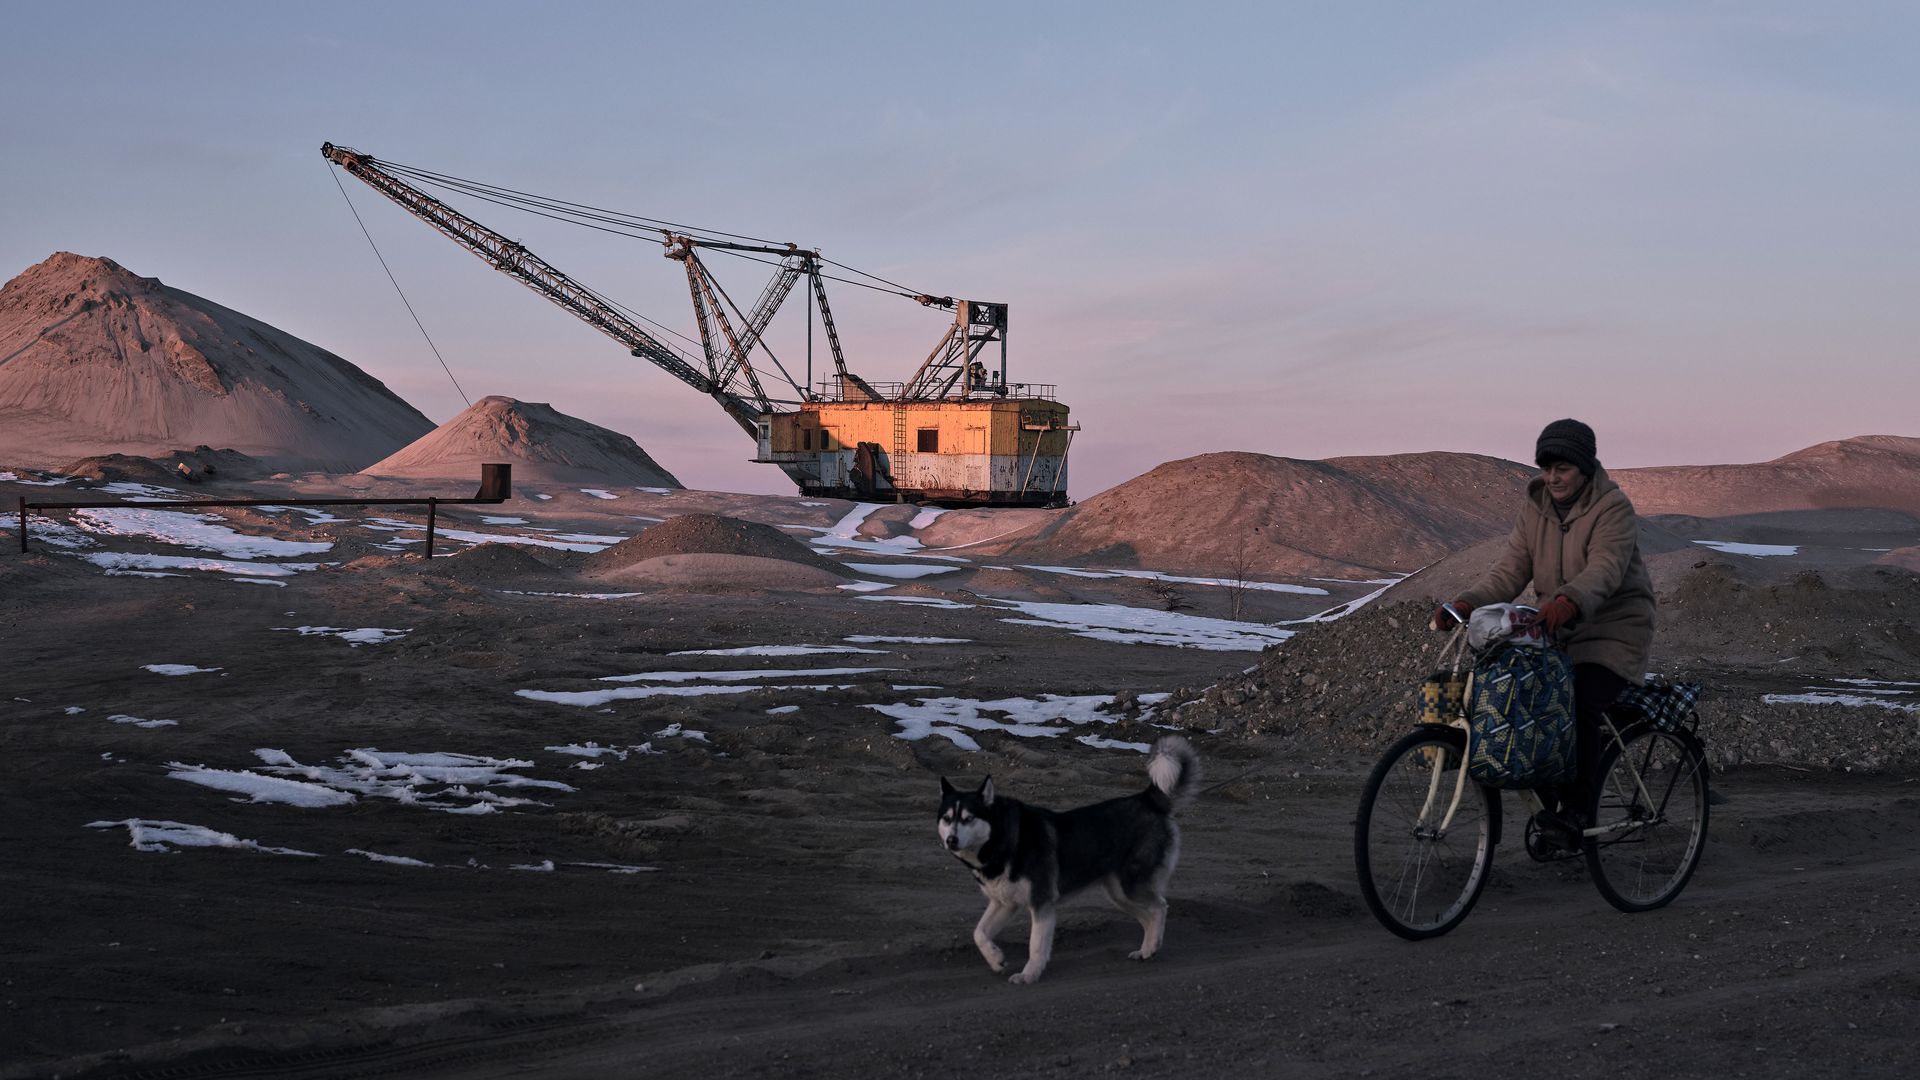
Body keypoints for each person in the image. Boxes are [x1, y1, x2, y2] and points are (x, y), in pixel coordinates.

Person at [1431, 418, 1657, 848]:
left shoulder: (1613, 508)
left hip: (1614, 630)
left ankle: (1576, 811)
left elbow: (1605, 569)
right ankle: (1549, 790)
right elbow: (1511, 568)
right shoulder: (1535, 509)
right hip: (1556, 628)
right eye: (1546, 467)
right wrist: (1466, 602)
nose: (1552, 477)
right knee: (1520, 696)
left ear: (1585, 468)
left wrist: (1569, 600)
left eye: (1563, 469)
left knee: (1577, 703)